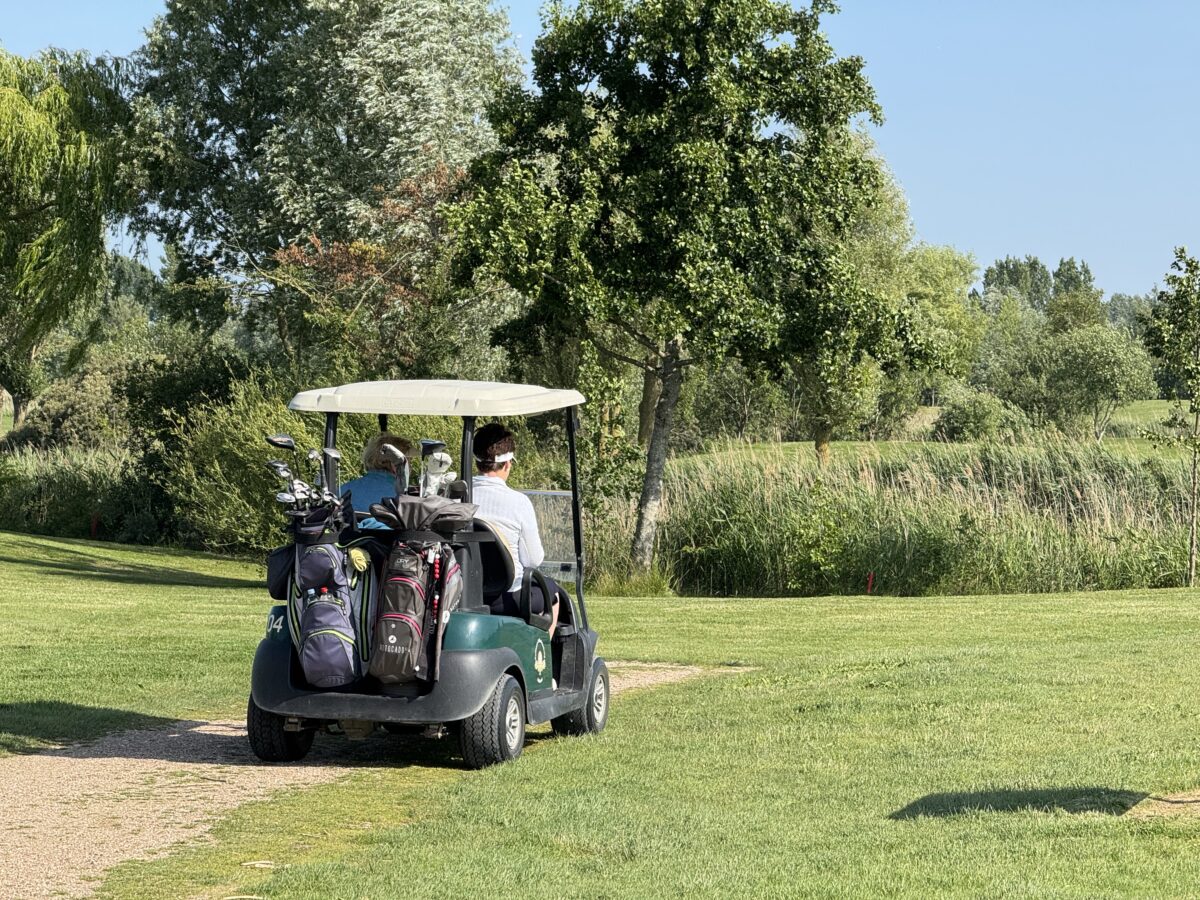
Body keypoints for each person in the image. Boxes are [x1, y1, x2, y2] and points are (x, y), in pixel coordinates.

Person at [472, 422, 561, 635]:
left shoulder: (455, 497)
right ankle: (543, 654)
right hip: (508, 597)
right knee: (554, 593)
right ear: (507, 464)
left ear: (477, 462)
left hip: (465, 595)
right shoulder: (519, 503)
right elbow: (533, 560)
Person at [340, 433, 413, 514]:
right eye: (409, 461)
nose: (410, 467)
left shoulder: (342, 490)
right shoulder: (403, 498)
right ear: (395, 464)